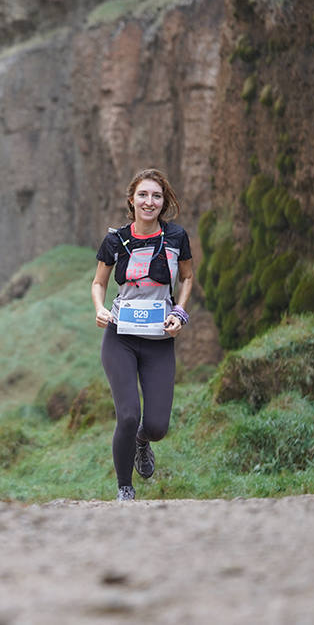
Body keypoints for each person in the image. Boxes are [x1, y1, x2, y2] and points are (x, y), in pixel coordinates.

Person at [90, 168, 193, 502]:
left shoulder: (176, 237)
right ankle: (125, 488)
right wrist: (99, 308)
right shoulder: (116, 240)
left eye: (157, 196)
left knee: (157, 426)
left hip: (159, 340)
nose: (150, 202)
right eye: (143, 195)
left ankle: (142, 441)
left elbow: (187, 278)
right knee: (129, 414)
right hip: (120, 336)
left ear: (164, 203)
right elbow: (99, 282)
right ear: (131, 200)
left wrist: (179, 312)